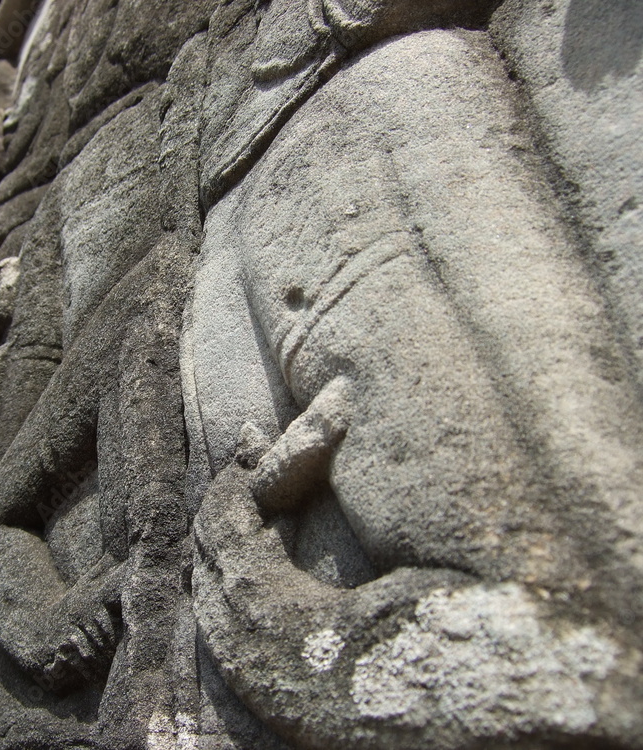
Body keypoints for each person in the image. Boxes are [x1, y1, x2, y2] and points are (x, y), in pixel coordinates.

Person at [188, 1, 643, 747]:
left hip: (356, 113)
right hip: (240, 175)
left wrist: (274, 633)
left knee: (552, 573)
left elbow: (560, 641)